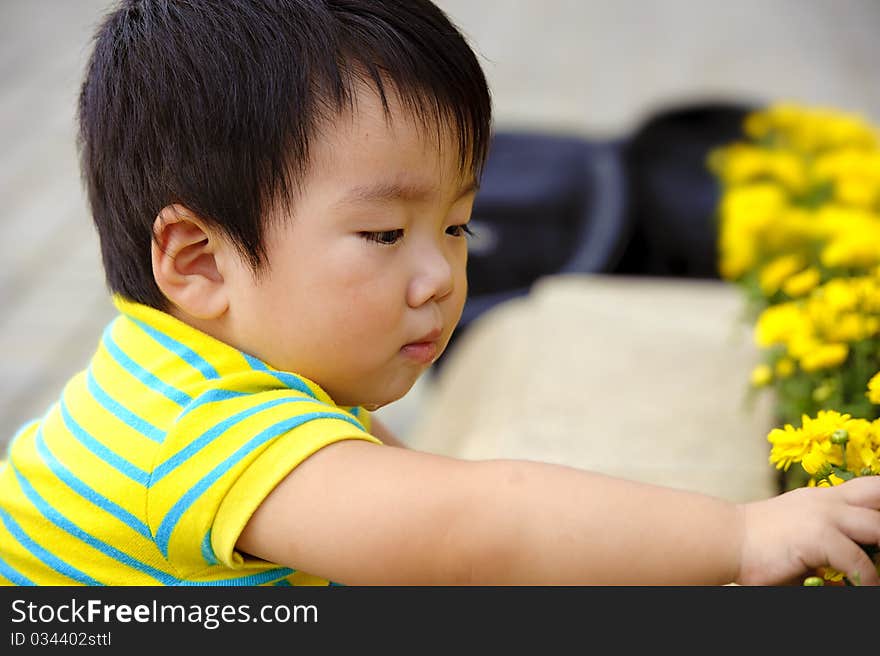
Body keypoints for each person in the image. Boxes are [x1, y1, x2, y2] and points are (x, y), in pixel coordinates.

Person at [1, 0, 879, 587]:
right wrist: (743, 536)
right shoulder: (205, 435)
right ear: (198, 261)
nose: (441, 279)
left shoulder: (194, 362)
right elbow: (479, 528)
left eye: (458, 228)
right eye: (385, 235)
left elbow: (416, 498)